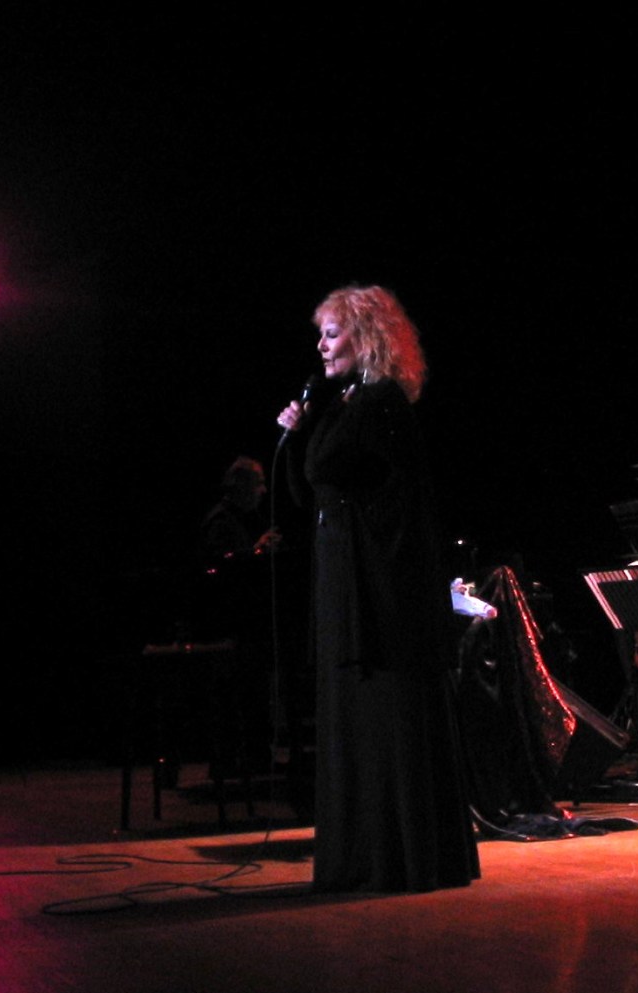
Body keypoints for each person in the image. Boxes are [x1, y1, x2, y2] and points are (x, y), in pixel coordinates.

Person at [276, 284, 480, 893]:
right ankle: (370, 858)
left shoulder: (379, 401)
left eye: (332, 334)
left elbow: (333, 473)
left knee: (386, 721)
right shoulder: (352, 402)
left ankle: (396, 859)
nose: (321, 346)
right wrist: (303, 428)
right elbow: (309, 491)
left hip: (380, 597)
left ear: (364, 338)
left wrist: (310, 423)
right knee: (357, 723)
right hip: (350, 587)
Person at [199, 456, 281, 563]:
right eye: (258, 483)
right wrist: (257, 550)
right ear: (242, 485)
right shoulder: (220, 521)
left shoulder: (240, 516)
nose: (264, 490)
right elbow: (220, 563)